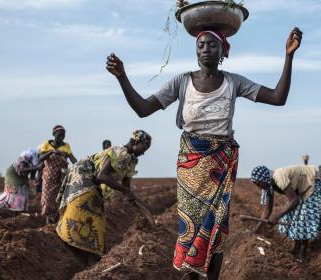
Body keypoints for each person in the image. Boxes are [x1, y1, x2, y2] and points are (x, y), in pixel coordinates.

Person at [106, 26, 302, 279]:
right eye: (201, 45)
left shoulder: (234, 82)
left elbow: (277, 97)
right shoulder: (181, 81)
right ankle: (189, 275)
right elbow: (143, 108)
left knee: (217, 228)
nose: (206, 49)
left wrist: (288, 57)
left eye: (212, 45)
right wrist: (122, 77)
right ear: (195, 51)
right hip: (191, 165)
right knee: (190, 225)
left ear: (222, 51)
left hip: (220, 165)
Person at [56, 130, 151, 259]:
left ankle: (88, 250)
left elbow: (126, 185)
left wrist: (136, 202)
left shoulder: (132, 161)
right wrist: (125, 191)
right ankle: (67, 238)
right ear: (136, 142)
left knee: (97, 213)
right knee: (81, 207)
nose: (144, 152)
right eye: (144, 147)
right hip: (83, 174)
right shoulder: (120, 153)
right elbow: (102, 176)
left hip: (93, 180)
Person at [251, 165, 321, 262]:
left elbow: (295, 200)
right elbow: (267, 210)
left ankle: (303, 251)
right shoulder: (268, 185)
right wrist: (256, 230)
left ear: (264, 178)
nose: (258, 187)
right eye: (256, 184)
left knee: (304, 217)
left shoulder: (279, 177)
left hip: (312, 181)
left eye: (258, 183)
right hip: (299, 188)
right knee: (290, 215)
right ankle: (297, 246)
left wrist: (278, 216)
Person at [39, 125, 77, 223]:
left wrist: (79, 165)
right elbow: (40, 158)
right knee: (47, 198)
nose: (62, 136)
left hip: (61, 176)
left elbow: (72, 158)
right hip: (49, 176)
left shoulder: (66, 146)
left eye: (63, 135)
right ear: (54, 134)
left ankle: (56, 220)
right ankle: (48, 220)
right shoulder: (46, 144)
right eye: (59, 134)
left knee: (59, 198)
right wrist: (51, 152)